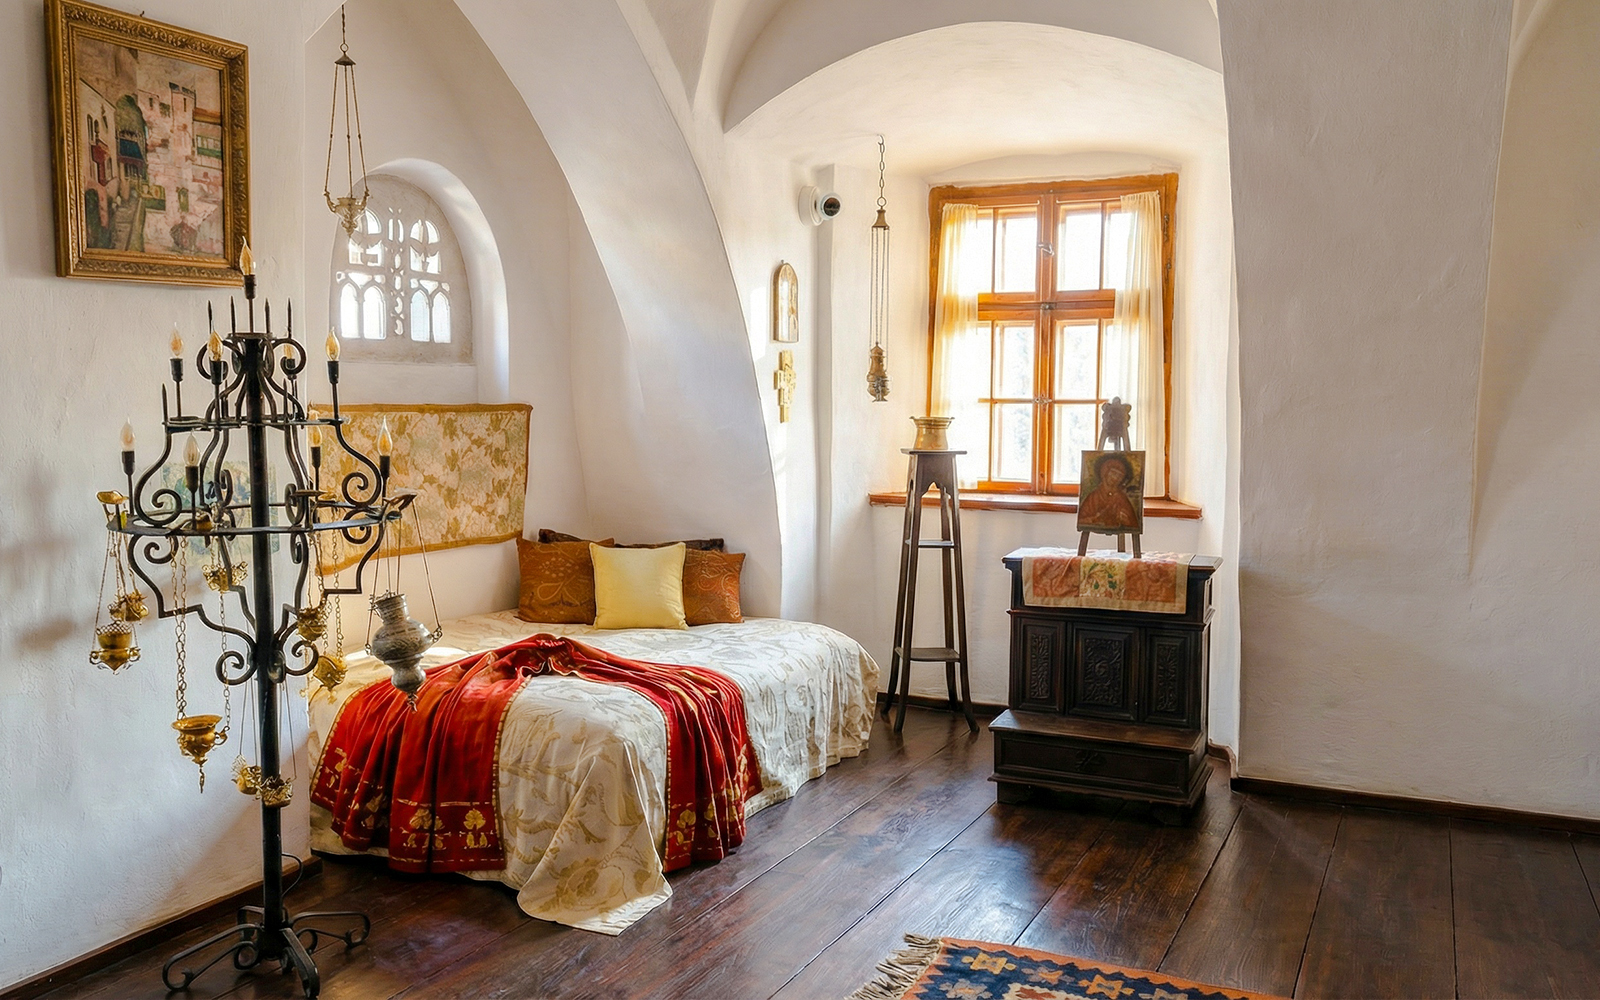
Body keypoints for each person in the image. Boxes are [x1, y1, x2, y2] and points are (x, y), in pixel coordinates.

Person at [1078, 453, 1139, 530]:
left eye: (1120, 476)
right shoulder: (1093, 497)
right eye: (1113, 473)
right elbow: (1082, 519)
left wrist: (1125, 520)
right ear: (1105, 472)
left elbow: (1133, 524)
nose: (1115, 478)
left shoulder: (1121, 498)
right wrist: (1094, 519)